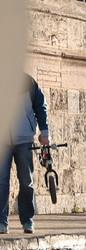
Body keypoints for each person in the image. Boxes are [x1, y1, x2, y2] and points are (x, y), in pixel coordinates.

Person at [1, 75, 50, 234]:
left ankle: (28, 220)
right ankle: (1, 222)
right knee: (1, 182)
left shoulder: (27, 82)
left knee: (26, 181)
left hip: (24, 139)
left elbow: (40, 106)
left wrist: (45, 132)